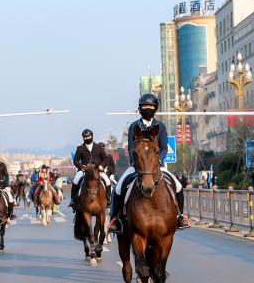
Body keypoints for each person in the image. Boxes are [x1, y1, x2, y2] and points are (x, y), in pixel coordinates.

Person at [108, 93, 189, 233]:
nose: (148, 108)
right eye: (145, 106)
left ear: (155, 108)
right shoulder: (134, 126)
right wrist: (136, 163)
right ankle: (115, 220)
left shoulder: (161, 126)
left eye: (150, 106)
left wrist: (159, 160)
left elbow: (164, 147)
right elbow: (131, 147)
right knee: (118, 188)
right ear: (140, 109)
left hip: (156, 165)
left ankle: (179, 216)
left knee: (178, 187)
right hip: (138, 166)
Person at [69, 129, 110, 210]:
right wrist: (81, 166)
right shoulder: (80, 148)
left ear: (92, 136)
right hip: (84, 171)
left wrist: (101, 166)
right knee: (75, 181)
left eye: (89, 136)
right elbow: (75, 160)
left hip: (98, 170)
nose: (87, 138)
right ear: (83, 138)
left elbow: (106, 158)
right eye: (85, 137)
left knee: (107, 181)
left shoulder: (98, 147)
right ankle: (73, 199)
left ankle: (109, 199)